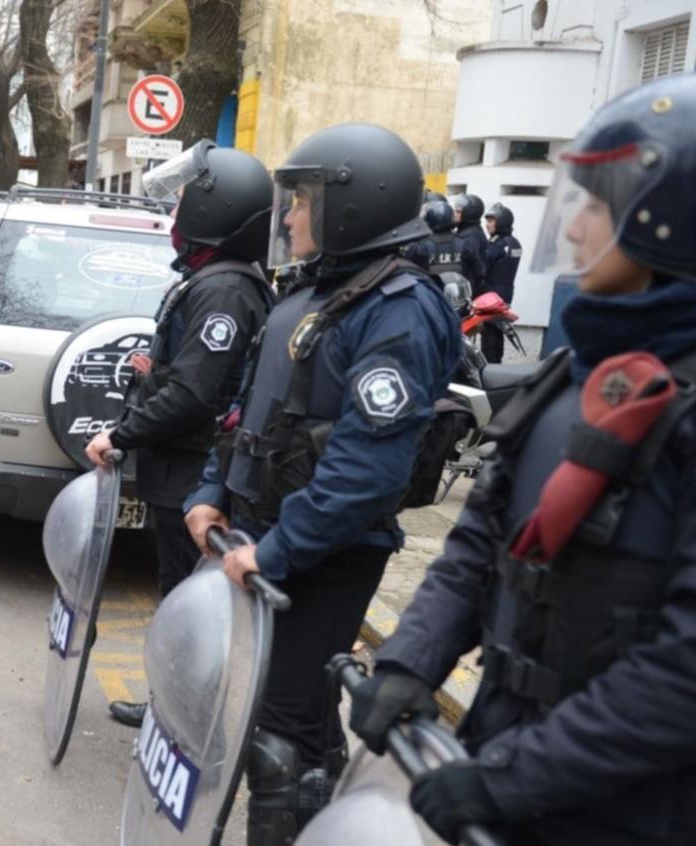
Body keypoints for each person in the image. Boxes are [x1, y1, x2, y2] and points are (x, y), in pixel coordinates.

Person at [349, 71, 696, 846]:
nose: (572, 228)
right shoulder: (581, 370)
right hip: (510, 768)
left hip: (633, 815)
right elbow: (479, 539)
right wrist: (410, 659)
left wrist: (511, 778)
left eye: (596, 205)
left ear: (679, 223)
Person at [182, 123, 460, 843]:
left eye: (304, 199)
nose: (291, 215)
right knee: (291, 721)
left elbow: (368, 471)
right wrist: (210, 489)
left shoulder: (399, 306)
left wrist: (274, 554)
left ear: (353, 204)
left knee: (276, 734)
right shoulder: (315, 290)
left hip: (322, 556)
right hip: (261, 535)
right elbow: (250, 409)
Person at [84, 142, 276, 728]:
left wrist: (121, 434)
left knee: (184, 595)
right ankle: (176, 704)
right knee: (181, 590)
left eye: (190, 198)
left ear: (216, 211)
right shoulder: (215, 280)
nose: (178, 210)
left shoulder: (222, 290)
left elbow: (195, 394)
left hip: (191, 467)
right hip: (182, 465)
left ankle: (178, 711)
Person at [404, 199, 485, 297]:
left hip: (431, 300)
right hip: (461, 302)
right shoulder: (465, 244)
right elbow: (479, 273)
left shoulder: (420, 246)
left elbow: (407, 274)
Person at [480, 202, 523, 363]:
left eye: (491, 221)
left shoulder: (497, 244)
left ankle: (490, 367)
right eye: (488, 220)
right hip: (506, 294)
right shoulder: (514, 242)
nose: (487, 224)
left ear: (502, 222)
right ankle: (497, 364)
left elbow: (482, 266)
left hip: (491, 296)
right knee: (498, 332)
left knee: (489, 334)